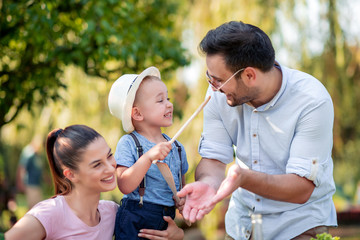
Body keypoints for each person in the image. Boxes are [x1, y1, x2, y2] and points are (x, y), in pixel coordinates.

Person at [177, 21, 337, 240]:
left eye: (219, 80)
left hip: (299, 224)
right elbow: (213, 160)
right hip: (242, 224)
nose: (213, 86)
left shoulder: (311, 101)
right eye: (210, 78)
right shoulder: (218, 94)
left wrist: (244, 178)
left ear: (250, 75)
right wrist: (207, 184)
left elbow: (301, 189)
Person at [5, 124, 184, 240]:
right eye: (97, 164)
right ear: (71, 174)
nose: (110, 168)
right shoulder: (49, 214)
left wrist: (178, 235)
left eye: (109, 156)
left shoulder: (112, 213)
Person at [108, 66, 189, 239]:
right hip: (136, 219)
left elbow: (181, 187)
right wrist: (149, 157)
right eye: (160, 101)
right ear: (137, 113)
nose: (169, 104)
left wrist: (183, 200)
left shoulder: (177, 147)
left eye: (167, 98)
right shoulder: (129, 143)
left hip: (166, 220)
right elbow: (124, 184)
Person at [16, 135, 44, 209]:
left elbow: (39, 169)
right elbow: (22, 168)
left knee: (38, 206)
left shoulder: (37, 154)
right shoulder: (28, 152)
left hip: (37, 184)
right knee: (32, 207)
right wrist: (20, 182)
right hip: (30, 184)